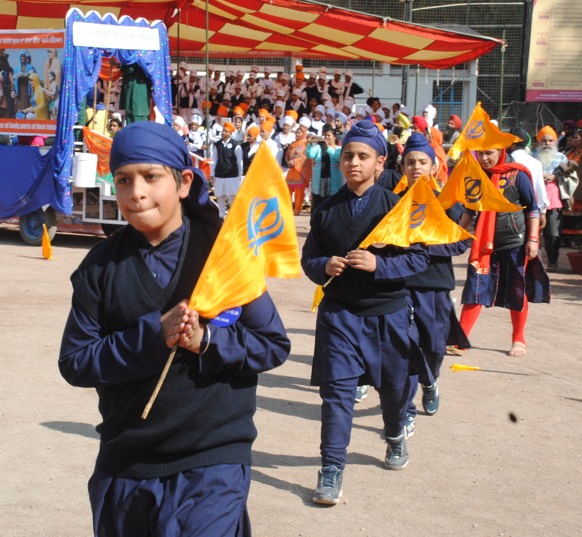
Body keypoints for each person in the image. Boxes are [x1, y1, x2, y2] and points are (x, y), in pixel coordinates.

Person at [58, 121, 290, 536]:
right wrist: (151, 336)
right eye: (123, 180)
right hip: (127, 462)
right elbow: (76, 361)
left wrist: (207, 341)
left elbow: (271, 343)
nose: (136, 192)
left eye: (151, 177)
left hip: (212, 460)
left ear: (183, 183)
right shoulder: (99, 268)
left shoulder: (223, 256)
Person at [301, 120, 430, 505]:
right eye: (347, 156)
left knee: (393, 389)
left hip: (388, 314)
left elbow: (419, 258)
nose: (353, 162)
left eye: (362, 156)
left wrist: (380, 265)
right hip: (339, 315)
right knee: (337, 393)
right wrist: (324, 265)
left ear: (380, 162)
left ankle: (394, 434)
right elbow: (309, 258)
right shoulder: (326, 209)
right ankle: (331, 468)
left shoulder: (397, 207)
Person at [399, 133, 470, 435]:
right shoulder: (393, 200)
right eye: (410, 162)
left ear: (433, 166)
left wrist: (423, 247)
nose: (416, 167)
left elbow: (461, 241)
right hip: (401, 285)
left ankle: (430, 381)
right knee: (405, 348)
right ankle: (406, 411)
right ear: (403, 166)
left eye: (422, 162)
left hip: (435, 285)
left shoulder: (447, 200)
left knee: (434, 347)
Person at [457, 144, 549, 357]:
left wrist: (533, 239)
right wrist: (455, 233)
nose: (484, 158)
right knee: (475, 288)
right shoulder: (477, 176)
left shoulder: (517, 175)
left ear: (501, 152)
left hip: (515, 242)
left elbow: (532, 208)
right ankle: (460, 339)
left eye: (489, 152)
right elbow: (470, 209)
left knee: (517, 290)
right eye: (480, 153)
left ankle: (519, 339)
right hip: (484, 245)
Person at [534, 126, 569, 271]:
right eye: (544, 141)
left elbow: (569, 177)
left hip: (554, 199)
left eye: (550, 141)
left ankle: (553, 261)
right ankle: (535, 262)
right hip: (535, 198)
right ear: (539, 142)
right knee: (534, 232)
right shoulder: (532, 156)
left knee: (553, 234)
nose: (547, 143)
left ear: (555, 142)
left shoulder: (562, 158)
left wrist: (555, 177)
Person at [306, 125, 343, 210]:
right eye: (325, 135)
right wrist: (309, 144)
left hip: (333, 180)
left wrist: (328, 148)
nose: (326, 137)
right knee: (318, 203)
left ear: (334, 137)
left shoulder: (339, 149)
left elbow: (339, 158)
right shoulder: (318, 147)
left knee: (332, 205)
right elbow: (310, 155)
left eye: (329, 135)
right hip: (319, 179)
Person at [212, 121, 244, 219]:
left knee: (232, 197)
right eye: (223, 131)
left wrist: (239, 175)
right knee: (220, 196)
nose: (224, 133)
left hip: (232, 175)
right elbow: (214, 159)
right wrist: (212, 173)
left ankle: (233, 217)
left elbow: (239, 161)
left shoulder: (235, 145)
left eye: (226, 131)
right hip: (219, 175)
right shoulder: (217, 144)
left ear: (230, 133)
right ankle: (221, 216)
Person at [285, 123, 311, 216]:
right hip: (292, 169)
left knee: (298, 191)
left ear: (303, 134)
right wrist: (288, 161)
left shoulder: (306, 144)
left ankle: (297, 209)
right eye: (296, 133)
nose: (297, 134)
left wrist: (295, 162)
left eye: (299, 133)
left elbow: (306, 157)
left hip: (300, 171)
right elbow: (287, 154)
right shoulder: (293, 144)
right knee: (287, 189)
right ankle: (287, 208)